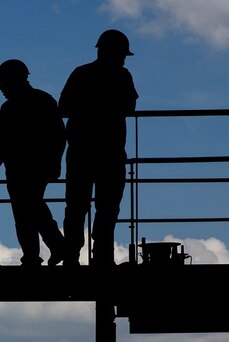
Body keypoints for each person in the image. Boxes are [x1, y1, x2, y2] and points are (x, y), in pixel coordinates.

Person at [59, 29, 139, 266]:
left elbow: (63, 107)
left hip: (81, 150)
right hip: (110, 151)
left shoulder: (81, 73)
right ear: (115, 52)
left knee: (76, 206)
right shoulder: (122, 76)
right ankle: (102, 256)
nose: (124, 59)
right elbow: (129, 107)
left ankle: (71, 256)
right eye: (122, 54)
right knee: (108, 207)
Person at [0, 59, 67, 267]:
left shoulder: (12, 107)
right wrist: (55, 163)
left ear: (14, 80)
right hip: (29, 167)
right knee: (31, 208)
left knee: (27, 210)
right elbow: (59, 136)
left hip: (22, 168)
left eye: (3, 83)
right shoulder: (43, 101)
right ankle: (49, 250)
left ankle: (40, 253)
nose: (1, 88)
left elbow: (2, 143)